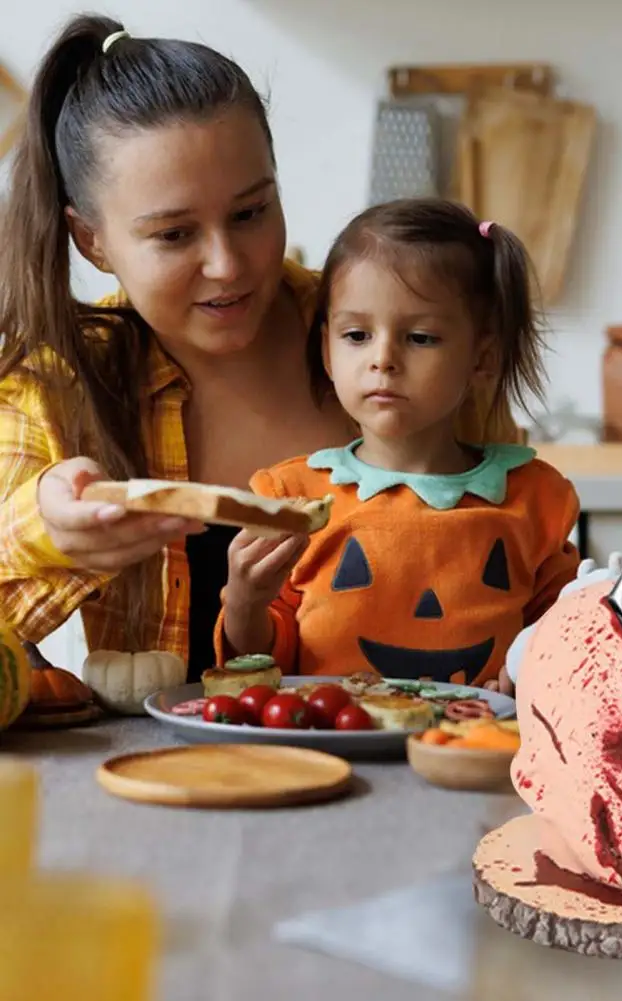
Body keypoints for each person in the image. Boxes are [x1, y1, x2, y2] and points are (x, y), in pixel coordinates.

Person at [0, 15, 519, 681]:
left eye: (249, 213)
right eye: (174, 234)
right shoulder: (59, 380)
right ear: (91, 241)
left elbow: (517, 547)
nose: (228, 264)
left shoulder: (401, 335)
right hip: (165, 778)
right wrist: (50, 525)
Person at [214, 199, 582, 689]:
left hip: (470, 748)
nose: (383, 359)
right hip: (329, 749)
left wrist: (530, 673)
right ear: (327, 350)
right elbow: (258, 667)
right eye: (357, 334)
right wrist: (244, 601)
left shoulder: (533, 498)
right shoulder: (291, 497)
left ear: (482, 357)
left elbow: (567, 642)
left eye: (421, 338)